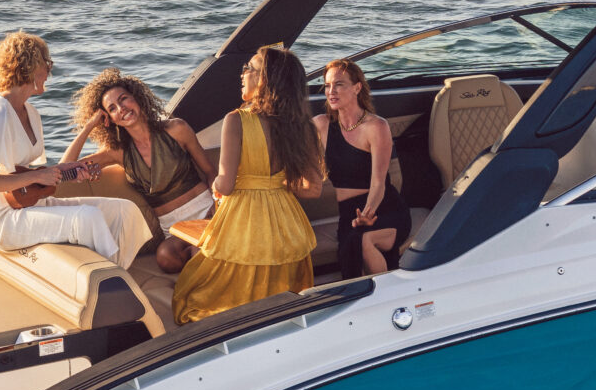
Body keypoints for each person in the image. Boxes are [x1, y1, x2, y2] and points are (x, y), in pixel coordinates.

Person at [171, 45, 325, 324]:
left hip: (244, 220)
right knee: (279, 302)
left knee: (201, 295)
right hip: (286, 225)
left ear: (264, 79)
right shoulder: (303, 125)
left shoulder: (236, 120)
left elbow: (226, 185)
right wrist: (274, 184)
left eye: (249, 68)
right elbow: (313, 189)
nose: (242, 74)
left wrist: (217, 185)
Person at [0, 32, 148, 266]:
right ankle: (109, 279)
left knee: (123, 210)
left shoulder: (31, 113)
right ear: (31, 67)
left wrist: (72, 171)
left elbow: (33, 175)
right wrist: (37, 176)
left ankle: (115, 271)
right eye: (47, 64)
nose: (49, 71)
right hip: (6, 220)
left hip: (32, 204)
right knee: (89, 217)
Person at [60, 69, 216, 272]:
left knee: (199, 253)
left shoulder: (176, 129)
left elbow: (210, 171)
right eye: (112, 108)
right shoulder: (117, 152)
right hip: (173, 228)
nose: (122, 108)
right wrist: (90, 125)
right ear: (110, 119)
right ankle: (206, 254)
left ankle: (206, 254)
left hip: (206, 212)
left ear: (137, 98)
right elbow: (64, 169)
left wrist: (219, 205)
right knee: (165, 258)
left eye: (124, 99)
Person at [317, 57, 412, 276]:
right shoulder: (321, 125)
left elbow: (378, 182)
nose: (331, 91)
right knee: (354, 240)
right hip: (349, 213)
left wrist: (368, 212)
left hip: (383, 208)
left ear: (357, 88)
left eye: (339, 84)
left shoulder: (376, 126)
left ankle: (386, 293)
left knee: (364, 240)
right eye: (328, 85)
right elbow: (289, 137)